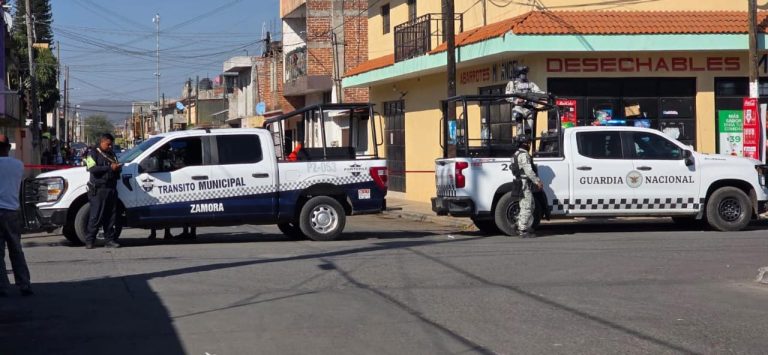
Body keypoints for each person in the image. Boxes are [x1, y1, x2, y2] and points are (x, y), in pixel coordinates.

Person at [0, 134, 33, 296]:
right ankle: (24, 283)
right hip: (12, 211)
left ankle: (2, 287)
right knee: (16, 249)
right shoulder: (18, 165)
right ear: (8, 148)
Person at [84, 133, 122, 249]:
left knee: (110, 217)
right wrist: (109, 167)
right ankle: (90, 240)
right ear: (102, 142)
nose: (110, 147)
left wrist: (117, 168)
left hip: (111, 188)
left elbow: (115, 169)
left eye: (111, 145)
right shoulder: (92, 153)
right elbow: (92, 169)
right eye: (108, 144)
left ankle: (109, 240)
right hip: (98, 190)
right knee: (95, 216)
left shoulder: (111, 154)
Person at [510, 135, 543, 238]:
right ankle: (522, 230)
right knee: (527, 206)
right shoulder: (523, 155)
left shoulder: (516, 154)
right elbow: (528, 170)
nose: (529, 144)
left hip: (520, 182)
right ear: (524, 143)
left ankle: (518, 224)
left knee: (530, 205)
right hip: (524, 183)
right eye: (527, 142)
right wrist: (537, 181)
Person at [505, 65, 544, 136]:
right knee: (518, 117)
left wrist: (546, 95)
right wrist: (516, 100)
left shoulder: (531, 84)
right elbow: (507, 95)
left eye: (525, 73)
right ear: (518, 74)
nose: (524, 75)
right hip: (518, 107)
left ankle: (527, 142)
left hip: (529, 108)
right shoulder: (512, 84)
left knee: (529, 130)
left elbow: (538, 92)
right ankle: (519, 137)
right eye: (523, 73)